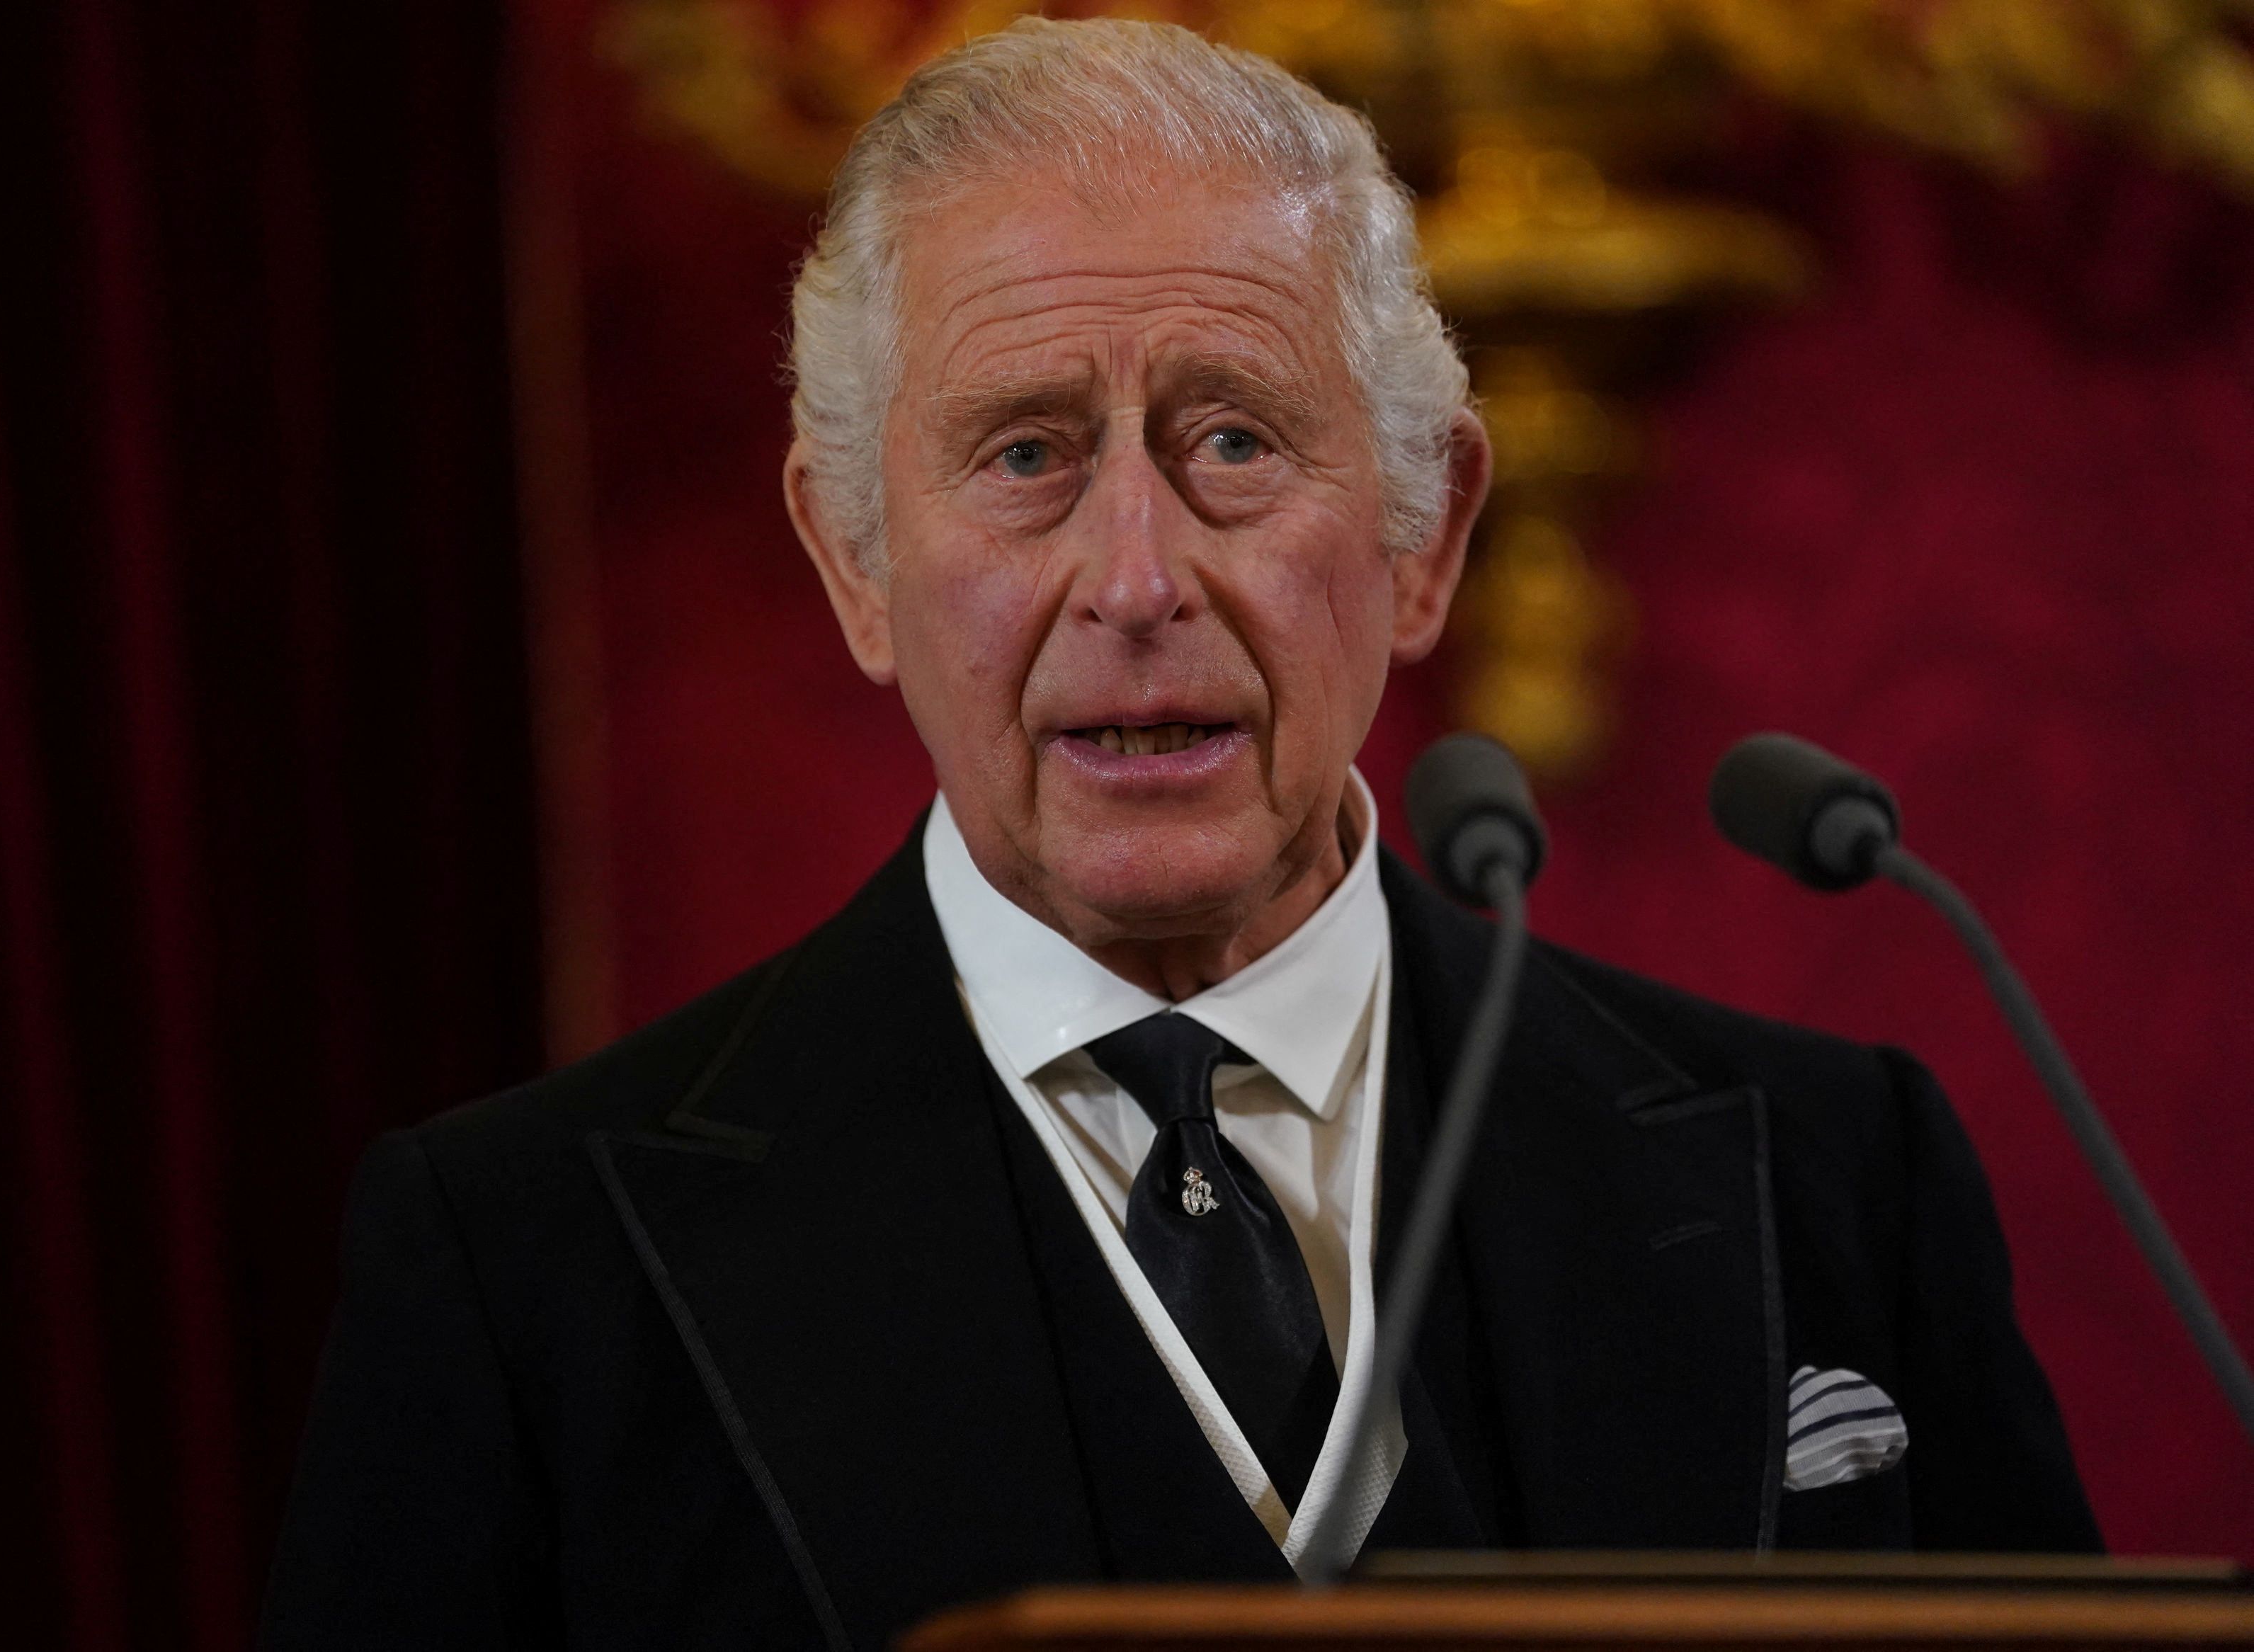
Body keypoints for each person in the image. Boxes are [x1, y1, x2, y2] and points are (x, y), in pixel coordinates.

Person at [260, 18, 2097, 1650]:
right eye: (1023, 456)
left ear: (1422, 536)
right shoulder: (523, 1268)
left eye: (1232, 443)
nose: (1135, 581)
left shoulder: (1834, 1174)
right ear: (852, 559)